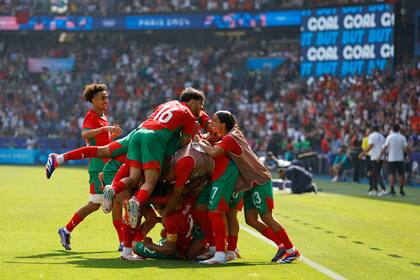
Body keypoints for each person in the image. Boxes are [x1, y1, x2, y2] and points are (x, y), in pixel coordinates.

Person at [197, 111, 300, 264]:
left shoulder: (230, 138)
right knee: (251, 220)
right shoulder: (232, 133)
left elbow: (215, 152)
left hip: (259, 179)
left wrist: (199, 143)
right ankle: (281, 246)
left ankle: (292, 250)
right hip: (249, 182)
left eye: (215, 120)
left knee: (266, 217)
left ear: (223, 124)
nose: (212, 123)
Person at [118, 87, 205, 228]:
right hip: (154, 140)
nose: (201, 109)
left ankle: (112, 188)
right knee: (150, 181)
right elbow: (185, 142)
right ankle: (136, 202)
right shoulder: (188, 115)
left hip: (138, 132)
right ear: (193, 102)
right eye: (201, 104)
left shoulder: (167, 104)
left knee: (134, 177)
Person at [56, 83, 123, 250]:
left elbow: (103, 143)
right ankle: (66, 229)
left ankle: (123, 242)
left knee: (116, 200)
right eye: (102, 98)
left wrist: (111, 135)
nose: (106, 100)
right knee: (96, 204)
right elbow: (85, 134)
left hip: (108, 164)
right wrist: (105, 128)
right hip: (97, 165)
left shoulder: (102, 117)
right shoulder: (91, 116)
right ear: (93, 100)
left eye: (107, 97)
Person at [378, 124, 409, 196]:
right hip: (400, 158)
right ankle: (401, 190)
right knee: (401, 174)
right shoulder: (402, 137)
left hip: (391, 158)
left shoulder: (389, 137)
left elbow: (385, 147)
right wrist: (407, 155)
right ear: (399, 130)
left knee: (391, 174)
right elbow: (405, 148)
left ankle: (392, 190)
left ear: (392, 129)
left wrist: (380, 156)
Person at [359, 125, 386, 196]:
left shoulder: (372, 136)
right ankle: (375, 190)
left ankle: (384, 189)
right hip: (380, 157)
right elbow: (384, 147)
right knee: (374, 173)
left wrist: (362, 153)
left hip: (375, 156)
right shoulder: (382, 136)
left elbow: (370, 146)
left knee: (376, 173)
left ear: (372, 129)